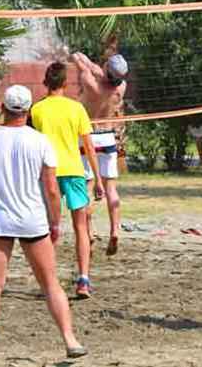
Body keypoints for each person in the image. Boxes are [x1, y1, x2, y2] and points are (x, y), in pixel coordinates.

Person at [0, 85, 87, 362]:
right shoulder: (40, 141)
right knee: (50, 284)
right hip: (33, 220)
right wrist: (55, 222)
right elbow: (51, 189)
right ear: (28, 111)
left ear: (3, 108)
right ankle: (70, 340)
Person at [31, 61, 104, 298]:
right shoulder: (76, 108)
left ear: (46, 82)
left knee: (48, 229)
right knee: (81, 227)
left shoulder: (37, 110)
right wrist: (98, 179)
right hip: (73, 172)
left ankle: (49, 282)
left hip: (48, 174)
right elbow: (89, 147)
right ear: (65, 83)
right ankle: (83, 280)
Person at [72, 52, 127, 256]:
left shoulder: (90, 83)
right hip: (108, 137)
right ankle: (115, 230)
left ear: (106, 69)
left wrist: (89, 63)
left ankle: (90, 232)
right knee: (111, 188)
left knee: (86, 188)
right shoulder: (121, 87)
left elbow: (79, 60)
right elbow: (100, 73)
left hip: (88, 137)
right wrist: (100, 69)